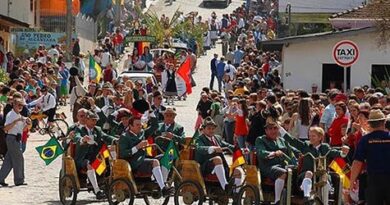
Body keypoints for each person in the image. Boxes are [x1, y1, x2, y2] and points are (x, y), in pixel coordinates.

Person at [283, 126, 349, 204]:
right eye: (309, 136)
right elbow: (292, 141)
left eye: (313, 136)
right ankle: (307, 198)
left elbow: (335, 152)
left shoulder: (325, 147)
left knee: (325, 177)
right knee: (309, 173)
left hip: (321, 175)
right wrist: (280, 128)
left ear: (320, 137)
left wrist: (343, 152)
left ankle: (325, 200)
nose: (311, 138)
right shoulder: (306, 146)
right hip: (305, 175)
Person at [118, 113, 174, 197]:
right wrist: (137, 147)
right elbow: (123, 153)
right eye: (137, 125)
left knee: (167, 157)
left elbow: (154, 126)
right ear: (130, 126)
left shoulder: (142, 133)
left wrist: (151, 114)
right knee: (155, 162)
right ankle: (163, 188)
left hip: (144, 158)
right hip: (134, 163)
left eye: (140, 124)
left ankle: (162, 183)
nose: (140, 126)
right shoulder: (125, 137)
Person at [255, 118, 299, 205]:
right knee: (282, 172)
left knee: (298, 170)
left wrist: (302, 153)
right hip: (268, 167)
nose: (273, 131)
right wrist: (273, 153)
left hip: (283, 165)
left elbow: (293, 150)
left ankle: (295, 196)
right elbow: (261, 152)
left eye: (275, 128)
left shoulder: (282, 140)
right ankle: (277, 201)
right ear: (266, 130)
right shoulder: (261, 140)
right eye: (270, 129)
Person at [350, 109, 390, 205]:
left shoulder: (365, 140)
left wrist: (352, 181)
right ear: (384, 122)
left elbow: (357, 162)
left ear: (370, 124)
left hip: (374, 180)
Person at [73, 111, 117, 199]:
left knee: (109, 165)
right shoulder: (79, 129)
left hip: (95, 156)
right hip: (82, 158)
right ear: (86, 120)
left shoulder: (98, 129)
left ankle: (108, 185)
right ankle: (97, 191)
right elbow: (76, 137)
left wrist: (115, 140)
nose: (94, 122)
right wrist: (83, 139)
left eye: (95, 120)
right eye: (92, 120)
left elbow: (105, 136)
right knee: (90, 166)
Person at [194, 117, 244, 192]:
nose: (211, 130)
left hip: (221, 165)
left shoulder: (217, 138)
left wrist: (240, 149)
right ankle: (225, 186)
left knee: (238, 170)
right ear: (203, 129)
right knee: (217, 159)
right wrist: (212, 148)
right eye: (209, 128)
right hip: (205, 166)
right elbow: (199, 148)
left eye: (213, 128)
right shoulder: (199, 139)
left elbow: (227, 145)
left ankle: (235, 194)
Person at [0, 98, 31, 187]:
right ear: (14, 105)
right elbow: (6, 128)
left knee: (8, 161)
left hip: (17, 138)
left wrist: (27, 124)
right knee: (18, 159)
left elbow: (23, 129)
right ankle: (19, 180)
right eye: (19, 105)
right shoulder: (11, 115)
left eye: (22, 105)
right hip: (12, 138)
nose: (20, 107)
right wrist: (15, 122)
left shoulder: (19, 115)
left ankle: (1, 178)